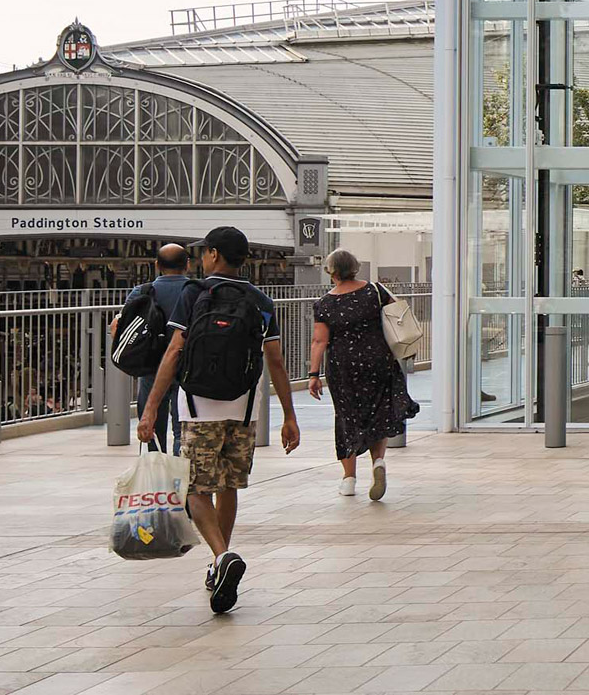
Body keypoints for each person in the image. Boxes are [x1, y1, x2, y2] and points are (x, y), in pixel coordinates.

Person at [138, 225, 300, 614]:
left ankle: (222, 555)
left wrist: (150, 408)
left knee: (193, 488)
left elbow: (175, 351)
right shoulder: (260, 299)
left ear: (213, 255)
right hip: (243, 408)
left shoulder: (194, 295)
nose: (199, 258)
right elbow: (275, 361)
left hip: (197, 407)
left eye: (203, 252)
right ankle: (218, 564)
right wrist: (289, 417)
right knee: (228, 485)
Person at [305, 248, 415, 500]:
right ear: (355, 267)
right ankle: (378, 462)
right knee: (378, 412)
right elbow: (399, 316)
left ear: (331, 273)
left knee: (346, 418)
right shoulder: (375, 291)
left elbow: (319, 341)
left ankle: (349, 479)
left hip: (343, 367)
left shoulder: (324, 304)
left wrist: (313, 374)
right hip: (378, 360)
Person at [122, 242, 195, 451]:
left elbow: (121, 326)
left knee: (152, 429)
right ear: (187, 265)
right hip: (187, 367)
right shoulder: (196, 291)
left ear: (157, 265)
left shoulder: (142, 292)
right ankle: (181, 473)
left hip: (151, 367)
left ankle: (158, 475)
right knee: (183, 429)